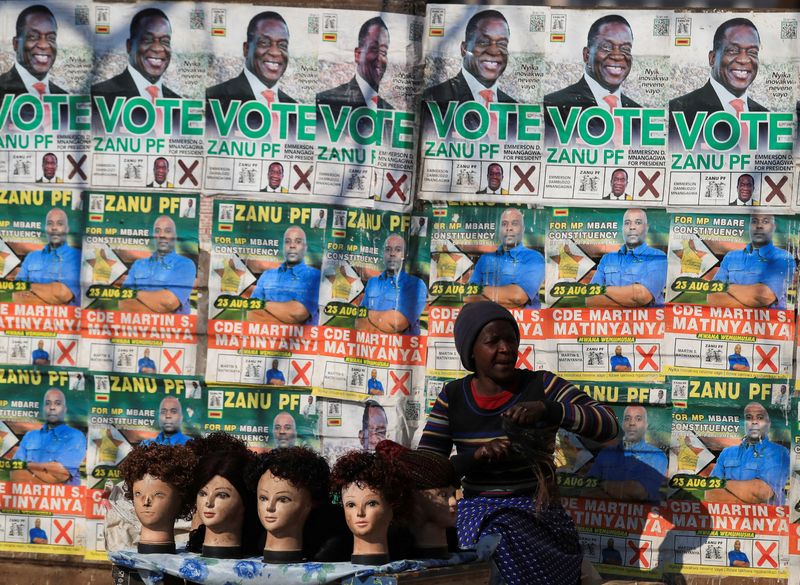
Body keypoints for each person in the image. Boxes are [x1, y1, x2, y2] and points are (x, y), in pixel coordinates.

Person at [417, 301, 618, 585]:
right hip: (474, 514)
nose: (506, 349)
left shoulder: (542, 386)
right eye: (493, 341)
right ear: (471, 351)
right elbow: (425, 469)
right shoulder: (453, 397)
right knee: (489, 535)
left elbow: (608, 424)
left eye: (511, 340)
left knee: (504, 533)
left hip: (537, 516)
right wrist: (476, 457)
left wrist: (551, 410)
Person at [669, 19, 766, 147]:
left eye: (752, 52)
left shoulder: (767, 118)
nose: (744, 59)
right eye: (733, 50)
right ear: (712, 58)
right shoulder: (677, 111)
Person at [544, 15, 639, 145]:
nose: (617, 56)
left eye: (626, 49)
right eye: (606, 47)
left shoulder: (640, 113)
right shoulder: (554, 105)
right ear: (586, 55)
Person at [206, 11, 296, 113]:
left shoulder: (295, 108)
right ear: (246, 49)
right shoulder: (212, 98)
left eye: (282, 45)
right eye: (264, 43)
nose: (275, 52)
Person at [92, 8, 180, 108]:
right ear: (129, 46)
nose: (158, 48)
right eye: (147, 40)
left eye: (165, 41)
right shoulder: (98, 95)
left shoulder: (178, 104)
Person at [423, 10, 515, 106]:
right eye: (483, 42)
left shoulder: (514, 106)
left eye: (502, 44)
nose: (493, 51)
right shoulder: (433, 97)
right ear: (464, 49)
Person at [706, 402, 789, 505]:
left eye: (760, 417)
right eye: (749, 418)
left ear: (768, 423)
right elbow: (709, 493)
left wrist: (723, 484)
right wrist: (749, 498)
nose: (754, 422)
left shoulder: (779, 452)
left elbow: (762, 492)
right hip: (727, 520)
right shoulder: (727, 453)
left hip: (765, 520)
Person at [708, 214, 795, 310]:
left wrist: (726, 287)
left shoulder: (783, 257)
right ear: (749, 226)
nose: (759, 226)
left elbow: (764, 296)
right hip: (730, 323)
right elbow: (712, 297)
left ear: (773, 227)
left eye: (765, 221)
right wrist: (757, 307)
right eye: (754, 221)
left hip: (767, 324)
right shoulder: (731, 256)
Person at [465, 208, 545, 309]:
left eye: (515, 223)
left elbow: (517, 297)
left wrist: (481, 291)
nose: (509, 228)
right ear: (499, 230)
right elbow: (468, 297)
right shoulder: (485, 258)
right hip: (487, 321)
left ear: (523, 229)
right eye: (504, 224)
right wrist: (505, 298)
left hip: (521, 323)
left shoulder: (534, 258)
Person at [587, 208, 667, 308]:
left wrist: (603, 289)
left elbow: (641, 296)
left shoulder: (658, 257)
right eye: (627, 223)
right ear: (622, 228)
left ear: (646, 228)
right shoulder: (608, 259)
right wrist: (628, 299)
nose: (632, 227)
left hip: (644, 323)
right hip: (610, 323)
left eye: (638, 222)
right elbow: (590, 299)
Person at [587, 406, 667, 502]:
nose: (632, 423)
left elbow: (638, 492)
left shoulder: (657, 456)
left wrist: (602, 484)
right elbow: (587, 491)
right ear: (623, 424)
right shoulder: (606, 454)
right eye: (627, 419)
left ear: (646, 425)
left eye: (638, 419)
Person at [119, 215, 197, 314]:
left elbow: (168, 302)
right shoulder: (139, 264)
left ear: (175, 236)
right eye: (157, 230)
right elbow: (123, 302)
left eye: (167, 231)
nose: (162, 235)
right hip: (138, 328)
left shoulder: (185, 265)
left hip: (172, 329)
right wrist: (162, 311)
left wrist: (135, 294)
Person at [316, 17, 393, 115]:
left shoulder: (389, 112)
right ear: (358, 55)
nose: (380, 58)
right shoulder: (324, 102)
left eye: (384, 52)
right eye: (374, 49)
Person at [12, 388, 86, 486]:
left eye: (58, 403)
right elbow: (15, 473)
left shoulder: (75, 436)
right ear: (43, 408)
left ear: (65, 409)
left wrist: (28, 466)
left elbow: (62, 474)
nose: (52, 407)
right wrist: (48, 470)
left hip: (63, 499)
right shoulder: (30, 436)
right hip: (29, 499)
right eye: (47, 403)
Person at [248, 226, 320, 325]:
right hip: (266, 340)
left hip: (299, 340)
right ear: (283, 246)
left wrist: (264, 305)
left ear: (305, 247)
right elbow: (252, 313)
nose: (292, 245)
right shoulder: (267, 275)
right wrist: (291, 322)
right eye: (287, 241)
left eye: (298, 242)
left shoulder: (315, 276)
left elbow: (297, 313)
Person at [356, 234, 427, 335]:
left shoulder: (416, 285)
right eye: (388, 249)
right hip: (372, 348)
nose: (392, 254)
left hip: (400, 349)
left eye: (398, 250)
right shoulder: (372, 283)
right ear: (383, 254)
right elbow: (359, 321)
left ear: (405, 255)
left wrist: (369, 317)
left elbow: (397, 323)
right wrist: (384, 319)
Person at [13, 207, 81, 306]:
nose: (54, 227)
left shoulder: (76, 257)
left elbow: (63, 294)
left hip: (64, 321)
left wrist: (29, 287)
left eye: (60, 224)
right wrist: (52, 294)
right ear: (45, 228)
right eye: (50, 223)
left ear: (67, 229)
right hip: (30, 321)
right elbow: (16, 293)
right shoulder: (32, 257)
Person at [0, 6, 66, 97]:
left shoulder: (64, 97)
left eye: (51, 38)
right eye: (33, 36)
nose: (43, 45)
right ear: (16, 44)